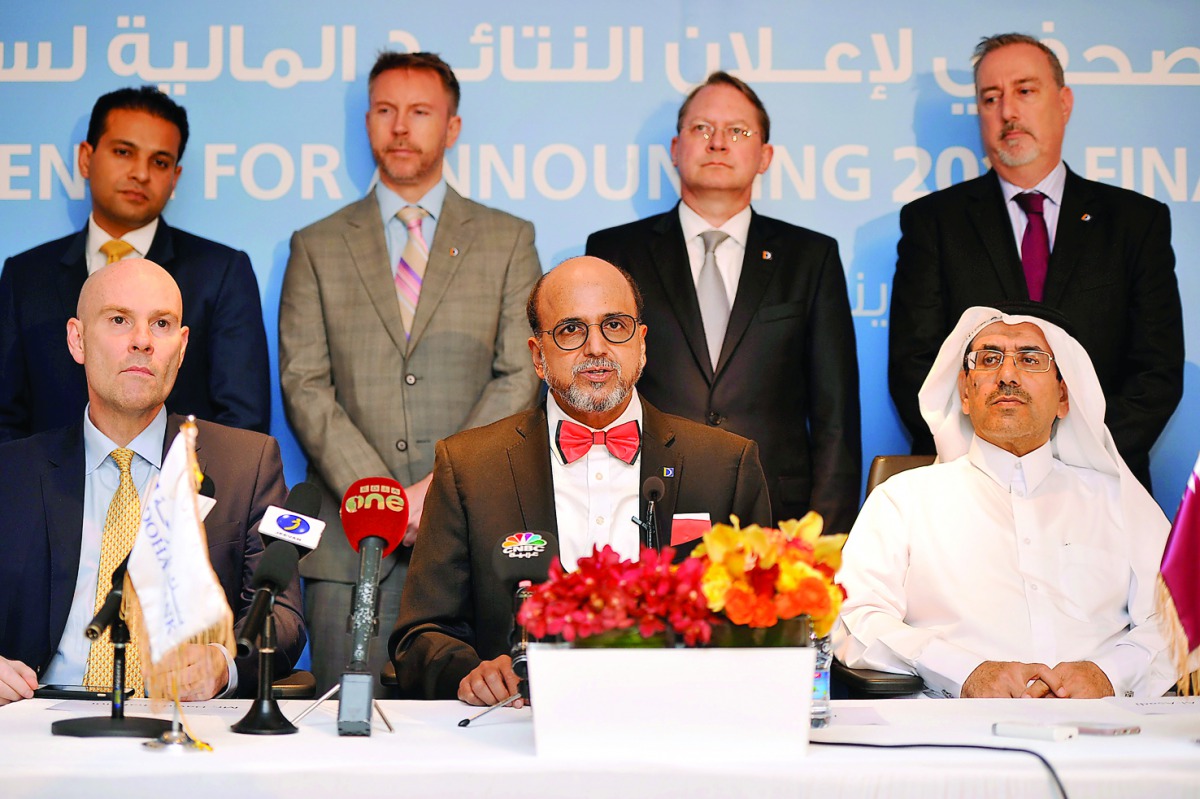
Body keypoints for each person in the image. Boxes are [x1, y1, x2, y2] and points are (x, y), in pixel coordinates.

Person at [390, 256, 772, 704]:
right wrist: (473, 673)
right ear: (537, 355)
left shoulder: (724, 463)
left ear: (641, 345)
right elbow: (421, 635)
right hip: (519, 732)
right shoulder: (470, 465)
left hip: (679, 721)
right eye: (572, 329)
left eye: (615, 325)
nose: (596, 347)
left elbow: (761, 622)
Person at [279, 51, 542, 696]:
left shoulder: (509, 239)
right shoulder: (315, 244)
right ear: (367, 121)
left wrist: (440, 485)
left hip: (471, 538)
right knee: (345, 741)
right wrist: (385, 499)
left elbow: (519, 374)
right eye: (385, 111)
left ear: (451, 127)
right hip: (350, 545)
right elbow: (303, 383)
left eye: (419, 112)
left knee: (480, 736)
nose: (401, 127)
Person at [0, 259, 304, 705]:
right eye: (119, 320)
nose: (142, 341)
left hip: (181, 724)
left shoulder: (246, 464)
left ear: (181, 348)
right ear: (77, 339)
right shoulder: (11, 473)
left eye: (161, 324)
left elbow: (283, 615)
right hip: (37, 717)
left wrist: (224, 661)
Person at [836, 303, 1176, 699]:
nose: (1008, 375)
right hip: (949, 732)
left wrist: (1109, 675)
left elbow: (1178, 620)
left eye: (1031, 360)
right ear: (965, 393)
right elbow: (854, 617)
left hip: (1106, 731)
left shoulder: (1119, 502)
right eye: (989, 359)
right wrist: (964, 672)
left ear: (1065, 397)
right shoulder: (902, 500)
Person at [888, 33, 1183, 490]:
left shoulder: (1135, 222)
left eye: (1025, 91)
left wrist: (1074, 461)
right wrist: (997, 465)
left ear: (1063, 103)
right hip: (970, 488)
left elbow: (1156, 370)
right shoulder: (932, 223)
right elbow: (917, 369)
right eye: (991, 98)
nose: (1008, 111)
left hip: (1102, 485)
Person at [586, 71, 860, 534]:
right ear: (676, 149)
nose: (718, 143)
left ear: (765, 156)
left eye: (738, 131)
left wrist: (824, 534)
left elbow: (836, 415)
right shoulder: (616, 252)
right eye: (701, 129)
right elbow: (592, 393)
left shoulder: (810, 257)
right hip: (641, 507)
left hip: (776, 517)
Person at [0, 86, 271, 441]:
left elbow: (242, 423)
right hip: (48, 493)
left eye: (159, 162)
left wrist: (182, 493)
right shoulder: (26, 275)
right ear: (86, 158)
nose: (141, 173)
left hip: (182, 491)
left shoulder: (220, 272)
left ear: (174, 177)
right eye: (123, 152)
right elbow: (5, 417)